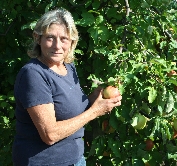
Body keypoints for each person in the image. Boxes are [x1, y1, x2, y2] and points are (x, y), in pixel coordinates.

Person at [12, 8, 122, 166]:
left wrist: (98, 97)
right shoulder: (33, 74)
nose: (57, 46)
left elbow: (73, 109)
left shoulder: (68, 67)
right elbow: (50, 134)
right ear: (38, 38)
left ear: (72, 42)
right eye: (50, 38)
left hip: (75, 160)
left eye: (64, 39)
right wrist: (95, 112)